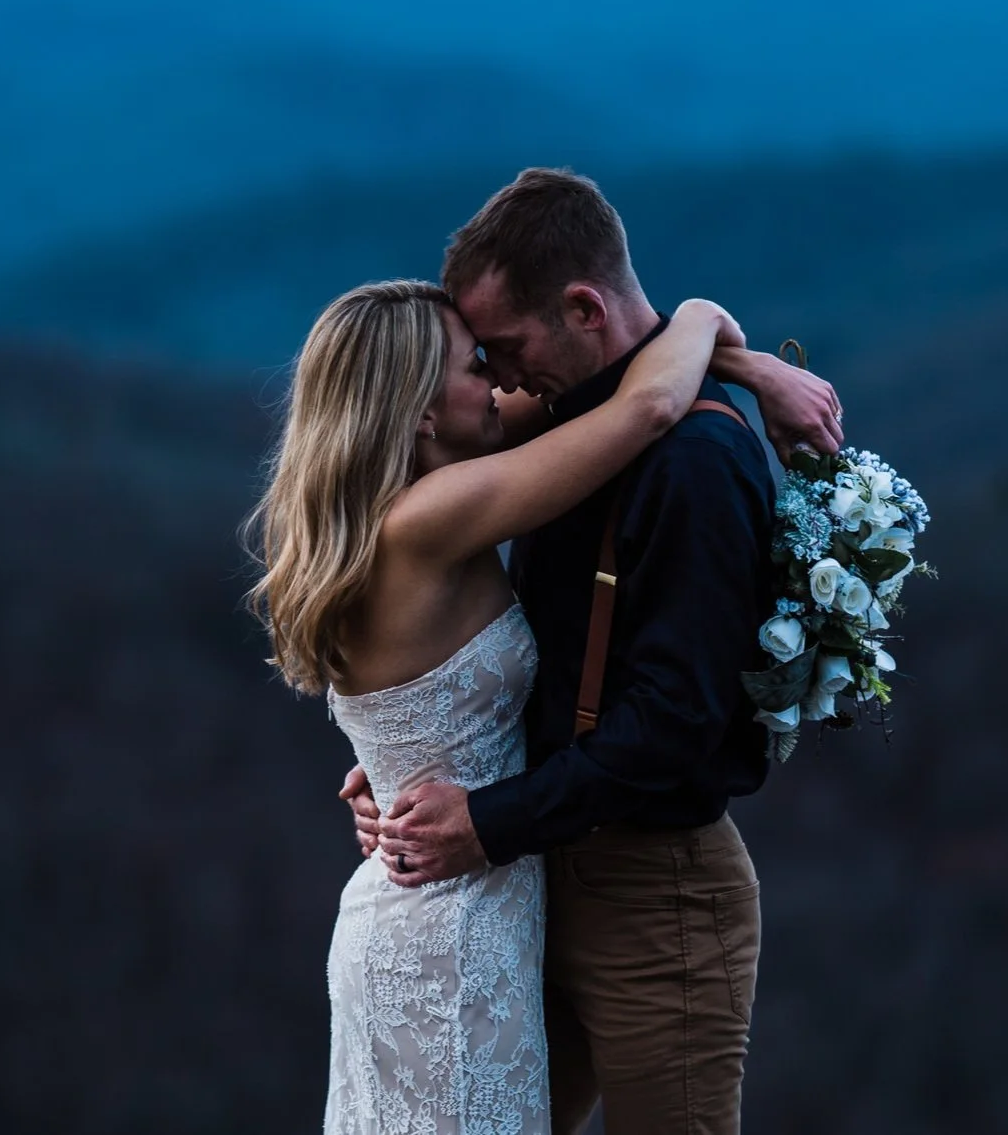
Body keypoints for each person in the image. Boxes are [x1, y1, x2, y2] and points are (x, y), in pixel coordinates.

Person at [342, 168, 843, 1135]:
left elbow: (675, 723)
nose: (498, 378)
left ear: (580, 307)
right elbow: (533, 656)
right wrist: (410, 761)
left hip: (655, 896)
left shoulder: (692, 461)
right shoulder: (564, 426)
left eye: (507, 348)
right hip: (527, 881)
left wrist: (486, 818)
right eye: (478, 358)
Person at [248, 280, 770, 1134]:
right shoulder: (429, 516)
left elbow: (588, 391)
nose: (496, 383)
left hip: (450, 911)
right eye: (471, 367)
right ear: (419, 411)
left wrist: (397, 765)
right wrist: (706, 317)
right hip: (450, 935)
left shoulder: (382, 508)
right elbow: (642, 409)